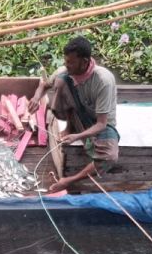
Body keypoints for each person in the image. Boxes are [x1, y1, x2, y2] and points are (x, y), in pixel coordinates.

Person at [29, 36, 119, 194]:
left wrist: (78, 137)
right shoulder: (66, 71)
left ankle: (70, 180)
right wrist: (36, 98)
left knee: (110, 157)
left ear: (84, 62)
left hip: (98, 122)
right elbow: (44, 85)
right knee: (60, 81)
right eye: (66, 61)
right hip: (78, 113)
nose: (66, 65)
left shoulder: (104, 81)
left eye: (71, 62)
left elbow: (101, 124)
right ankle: (70, 126)